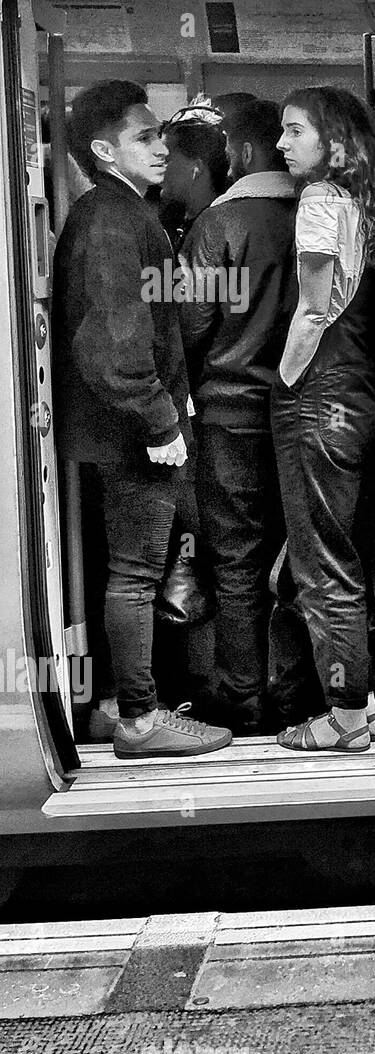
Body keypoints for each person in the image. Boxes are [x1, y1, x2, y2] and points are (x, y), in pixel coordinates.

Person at [53, 80, 231, 758]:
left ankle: (113, 705)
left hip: (120, 426)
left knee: (125, 572)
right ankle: (139, 719)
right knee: (137, 575)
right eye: (145, 137)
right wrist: (161, 422)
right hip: (133, 433)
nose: (162, 148)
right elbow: (111, 341)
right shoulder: (113, 221)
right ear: (104, 151)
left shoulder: (118, 213)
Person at [271, 87, 375, 752]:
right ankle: (365, 704)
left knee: (322, 564)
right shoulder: (369, 200)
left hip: (320, 391)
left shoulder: (320, 199)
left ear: (334, 141)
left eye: (296, 131)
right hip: (366, 393)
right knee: (347, 553)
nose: (281, 144)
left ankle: (345, 717)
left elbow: (315, 308)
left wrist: (285, 380)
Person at [179, 98, 297, 734]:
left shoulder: (219, 225)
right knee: (304, 558)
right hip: (304, 414)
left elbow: (191, 324)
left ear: (243, 153)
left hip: (230, 414)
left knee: (237, 561)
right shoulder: (321, 211)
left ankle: (243, 698)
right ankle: (305, 693)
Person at [158, 114, 230, 249]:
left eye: (165, 160)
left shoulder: (221, 237)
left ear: (196, 168)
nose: (157, 167)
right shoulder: (170, 221)